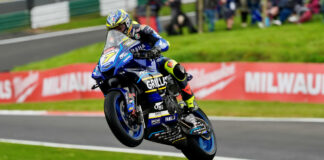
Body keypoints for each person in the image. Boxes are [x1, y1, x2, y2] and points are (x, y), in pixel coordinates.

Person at [92, 9, 199, 126]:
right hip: (132, 66)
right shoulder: (113, 40)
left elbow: (163, 41)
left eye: (119, 27)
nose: (117, 31)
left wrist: (155, 49)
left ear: (127, 23)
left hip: (152, 61)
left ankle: (191, 107)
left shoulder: (142, 29)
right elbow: (108, 53)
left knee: (174, 66)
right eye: (113, 29)